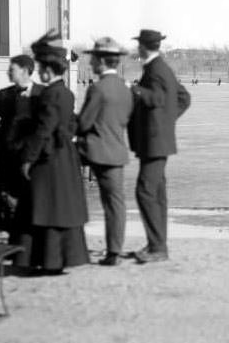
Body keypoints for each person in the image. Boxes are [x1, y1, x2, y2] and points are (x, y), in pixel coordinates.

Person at [19, 31, 89, 273]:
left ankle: (47, 261)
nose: (39, 72)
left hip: (49, 159)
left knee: (45, 207)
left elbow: (43, 129)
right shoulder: (66, 93)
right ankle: (61, 260)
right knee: (62, 208)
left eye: (41, 68)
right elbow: (71, 124)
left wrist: (28, 158)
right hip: (66, 156)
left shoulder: (49, 95)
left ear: (48, 70)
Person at [128, 29, 192, 264]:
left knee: (145, 191)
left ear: (143, 47)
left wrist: (134, 89)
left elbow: (156, 98)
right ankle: (157, 245)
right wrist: (167, 120)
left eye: (139, 46)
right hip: (157, 140)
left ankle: (157, 247)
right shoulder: (160, 67)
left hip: (154, 142)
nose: (137, 49)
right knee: (157, 193)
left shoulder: (156, 69)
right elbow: (184, 98)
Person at [76, 37, 134, 266]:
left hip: (96, 152)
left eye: (93, 59)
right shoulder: (125, 88)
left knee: (104, 202)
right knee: (116, 204)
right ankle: (114, 250)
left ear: (101, 61)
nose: (90, 63)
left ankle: (107, 251)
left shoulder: (98, 89)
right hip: (117, 151)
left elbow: (83, 124)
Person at [0, 54, 43, 241]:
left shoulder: (42, 94)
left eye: (12, 69)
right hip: (9, 157)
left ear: (25, 71)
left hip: (34, 158)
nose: (8, 72)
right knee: (11, 199)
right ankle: (15, 240)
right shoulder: (3, 95)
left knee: (34, 198)